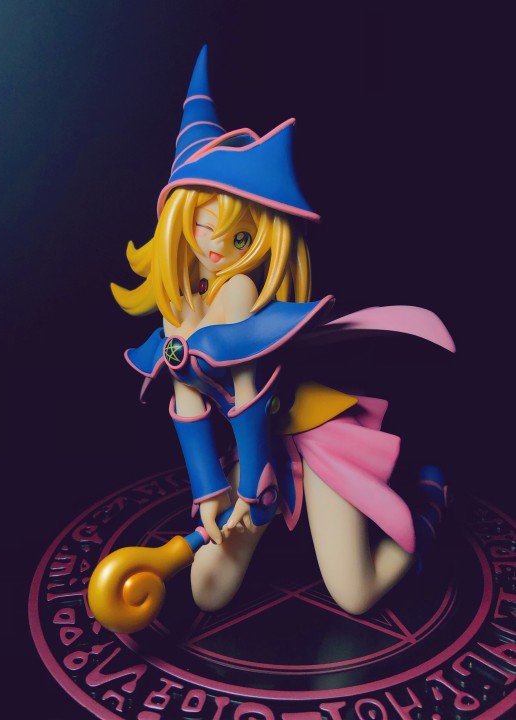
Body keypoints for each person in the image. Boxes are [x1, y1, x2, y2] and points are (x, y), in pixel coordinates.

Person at [111, 46, 455, 616]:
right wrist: (208, 496)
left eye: (241, 237)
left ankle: (428, 508)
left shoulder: (239, 295)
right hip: (261, 441)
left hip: (311, 428)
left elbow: (247, 393)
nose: (218, 246)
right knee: (207, 590)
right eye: (204, 224)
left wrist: (254, 491)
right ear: (179, 218)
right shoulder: (179, 306)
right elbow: (188, 403)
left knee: (355, 594)